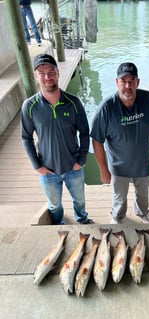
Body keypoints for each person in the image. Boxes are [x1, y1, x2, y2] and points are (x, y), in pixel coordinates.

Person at [21, 53, 92, 225]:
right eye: (42, 72)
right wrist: (37, 165)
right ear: (36, 76)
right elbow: (26, 137)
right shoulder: (30, 106)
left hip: (73, 167)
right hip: (48, 170)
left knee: (80, 200)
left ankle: (82, 219)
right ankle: (59, 225)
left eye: (51, 71)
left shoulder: (74, 102)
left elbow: (84, 132)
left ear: (58, 73)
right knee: (54, 205)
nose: (47, 77)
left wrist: (81, 160)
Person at [90, 62, 149, 224]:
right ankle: (117, 216)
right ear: (117, 82)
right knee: (119, 197)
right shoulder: (106, 108)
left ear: (137, 82)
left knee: (143, 194)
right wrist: (103, 170)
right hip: (118, 166)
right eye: (123, 81)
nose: (128, 86)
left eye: (131, 81)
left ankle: (143, 213)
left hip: (142, 163)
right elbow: (97, 140)